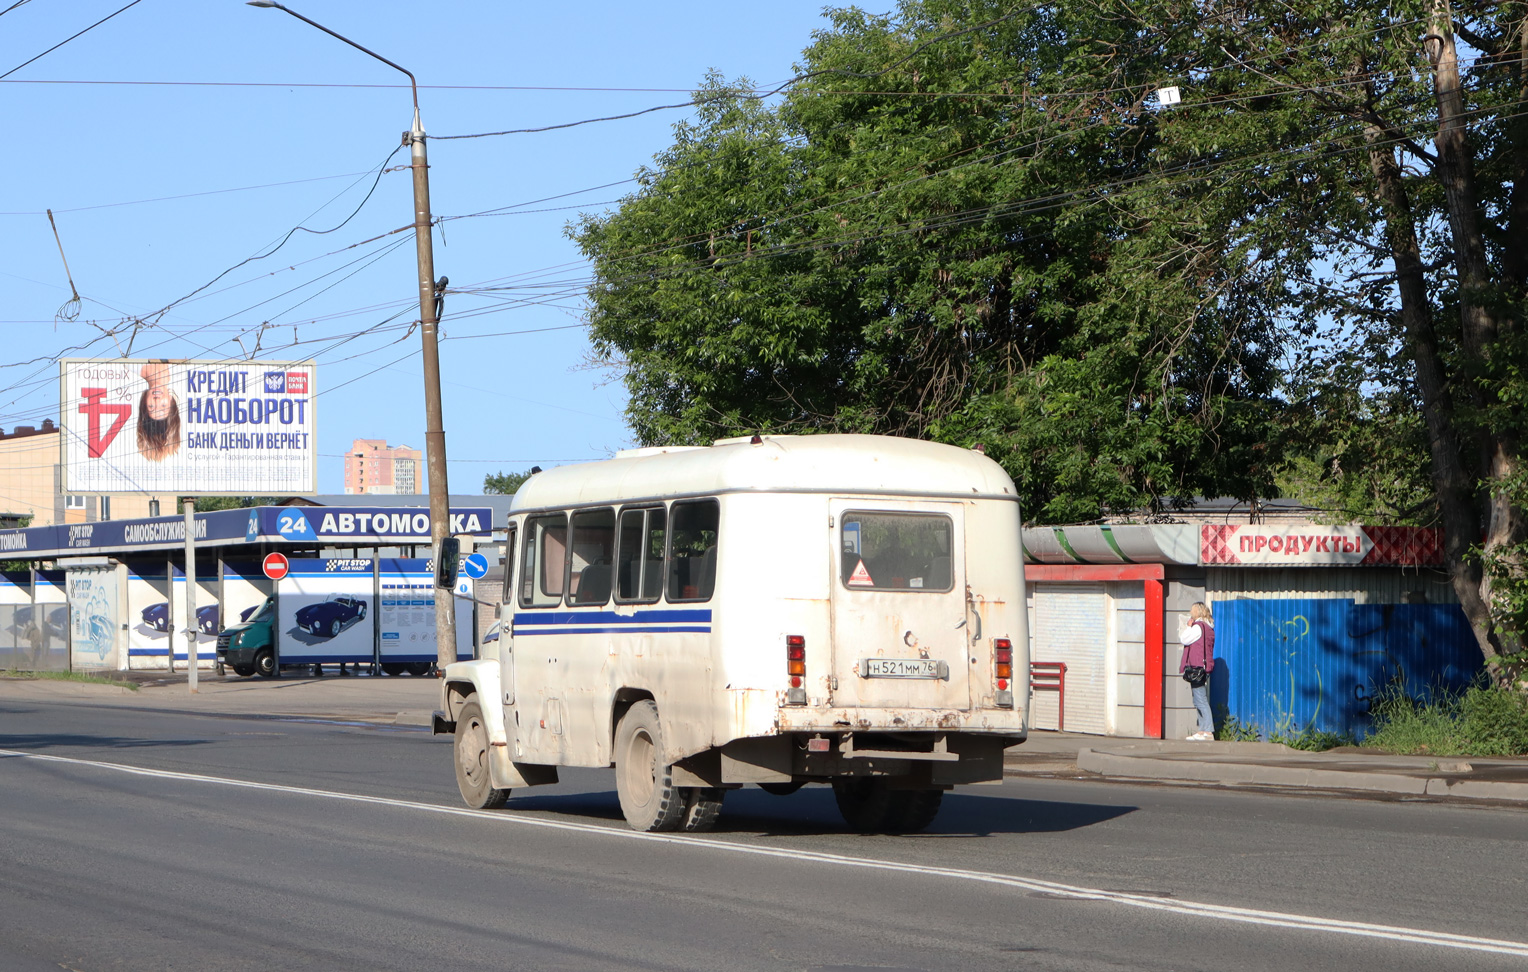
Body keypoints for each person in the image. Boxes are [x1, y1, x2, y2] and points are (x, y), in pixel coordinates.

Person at [1179, 601, 1216, 740]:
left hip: (1197, 666)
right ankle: (1202, 730)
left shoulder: (1198, 627)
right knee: (1198, 699)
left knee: (1200, 699)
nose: (1191, 613)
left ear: (1197, 612)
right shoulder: (1209, 627)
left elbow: (1184, 639)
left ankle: (1207, 731)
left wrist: (1188, 627)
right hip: (1205, 666)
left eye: (1192, 611)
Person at [137, 361, 181, 461]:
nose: (157, 399)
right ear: (171, 400)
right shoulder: (180, 367)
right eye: (163, 406)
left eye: (151, 406)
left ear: (144, 401)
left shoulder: (129, 366)